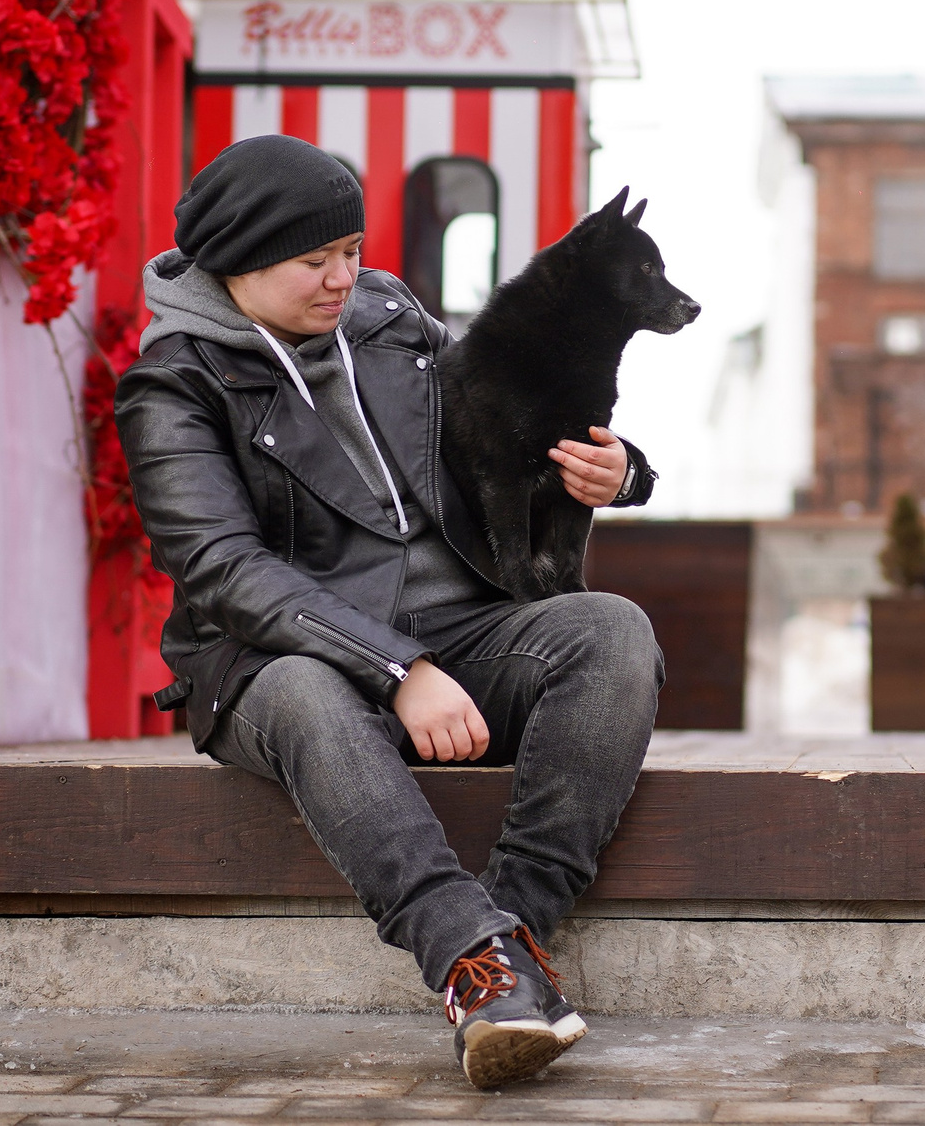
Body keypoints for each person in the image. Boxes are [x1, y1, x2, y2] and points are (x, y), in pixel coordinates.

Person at [114, 135, 664, 1089]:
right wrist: (397, 668)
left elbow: (503, 412)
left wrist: (623, 472)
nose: (343, 277)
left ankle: (515, 933)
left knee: (613, 630)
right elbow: (223, 568)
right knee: (300, 690)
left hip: (466, 629)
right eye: (314, 260)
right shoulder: (175, 384)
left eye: (352, 250)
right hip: (284, 658)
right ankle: (469, 959)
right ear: (237, 260)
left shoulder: (387, 316)